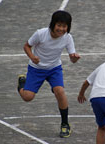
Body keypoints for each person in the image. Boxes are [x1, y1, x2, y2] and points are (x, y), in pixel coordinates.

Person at [17, 10, 80, 138]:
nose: (61, 29)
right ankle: (22, 83)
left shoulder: (68, 37)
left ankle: (65, 124)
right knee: (27, 97)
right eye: (59, 25)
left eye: (64, 26)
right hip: (36, 69)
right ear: (53, 24)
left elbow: (72, 59)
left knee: (60, 91)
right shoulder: (41, 34)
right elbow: (26, 46)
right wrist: (32, 57)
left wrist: (74, 58)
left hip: (54, 69)